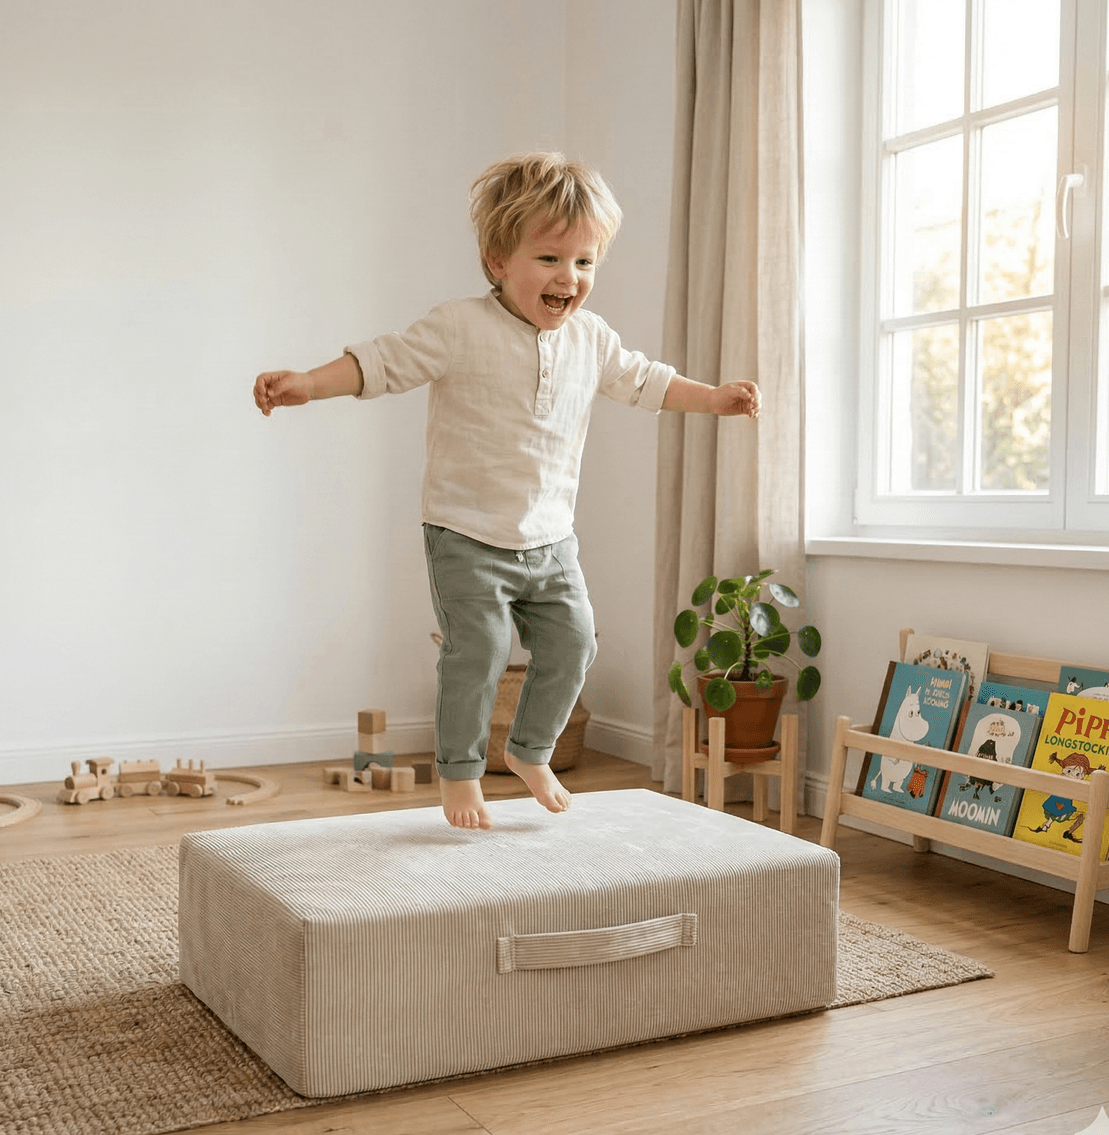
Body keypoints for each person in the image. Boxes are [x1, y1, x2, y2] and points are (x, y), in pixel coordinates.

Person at [253, 151, 760, 831]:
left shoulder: (591, 339)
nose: (569, 278)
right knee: (481, 651)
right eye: (550, 259)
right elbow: (383, 362)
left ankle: (531, 752)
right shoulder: (458, 327)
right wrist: (308, 385)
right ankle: (461, 775)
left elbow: (648, 382)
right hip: (464, 531)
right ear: (498, 260)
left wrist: (716, 400)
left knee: (575, 643)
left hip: (550, 537)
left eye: (584, 263)